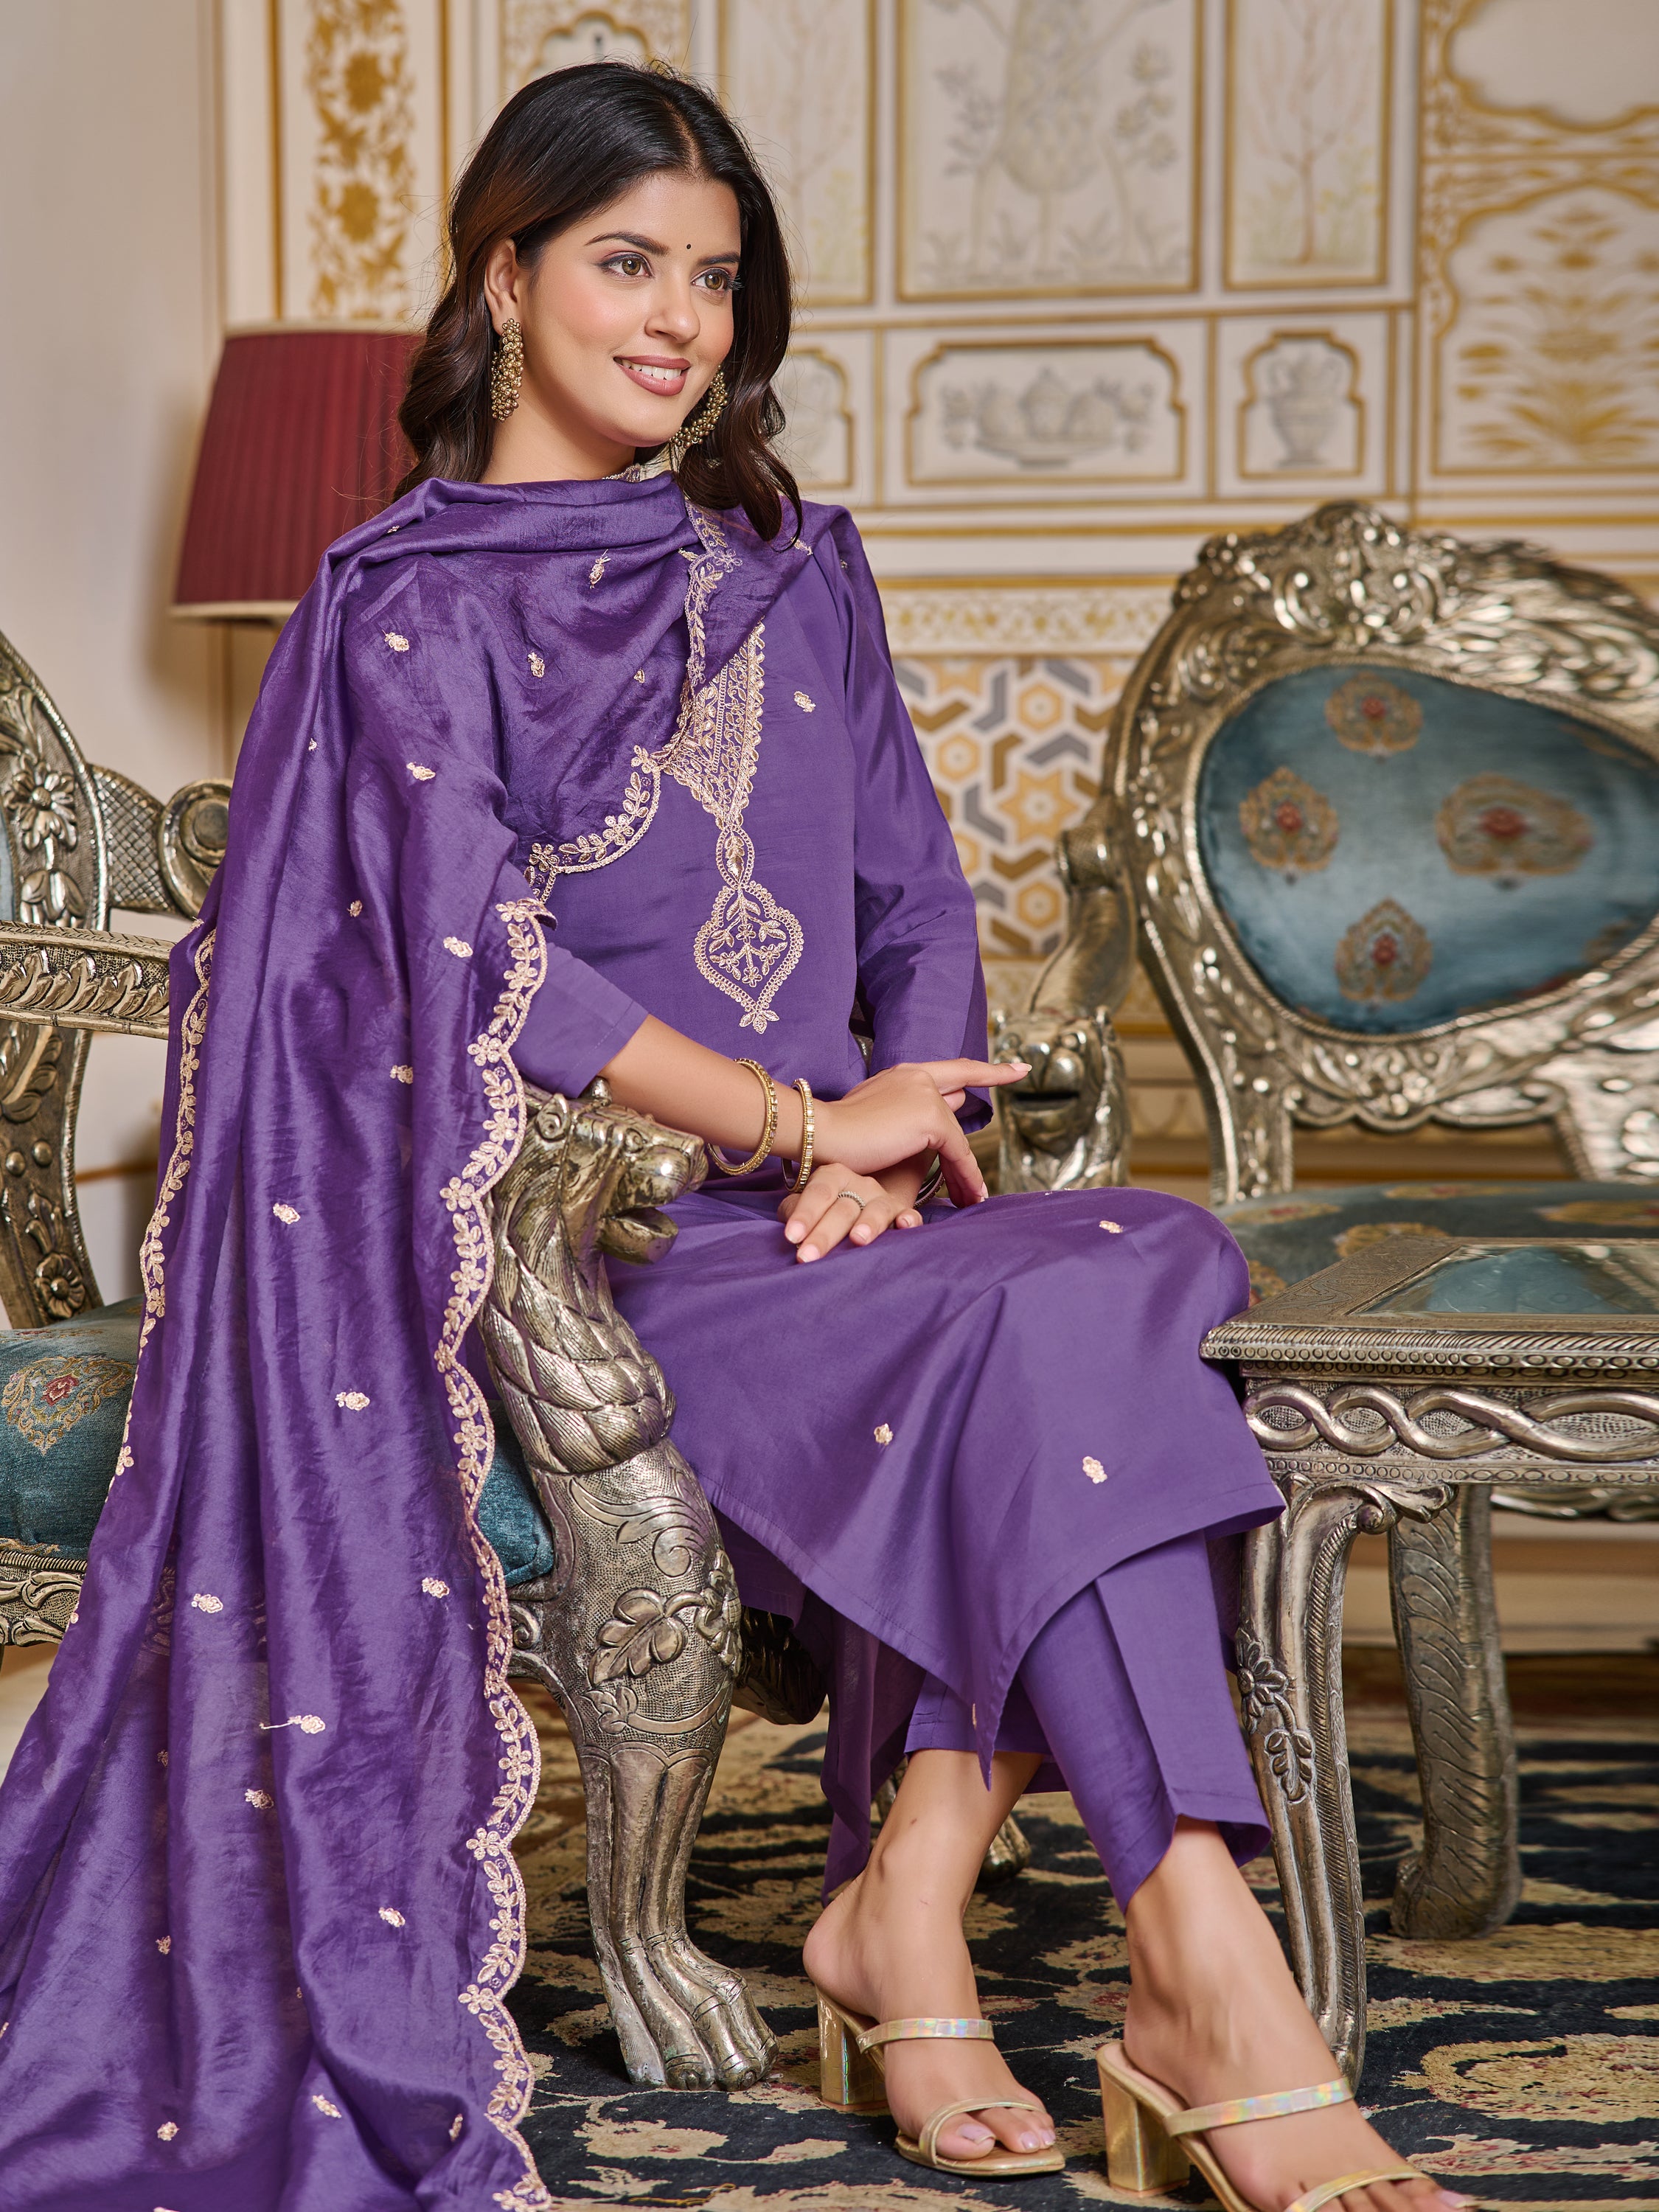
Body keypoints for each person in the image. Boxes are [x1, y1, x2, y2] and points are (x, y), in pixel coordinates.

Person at [0, 60, 1464, 2212]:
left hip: (845, 1218)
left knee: (1141, 1257)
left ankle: (934, 1904)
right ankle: (1188, 1981)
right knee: (1084, 1325)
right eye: (624, 263)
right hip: (610, 1255)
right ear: (505, 283)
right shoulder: (403, 607)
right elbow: (477, 962)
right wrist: (794, 1117)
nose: (679, 316)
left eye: (712, 274)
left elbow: (911, 897)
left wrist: (893, 1129)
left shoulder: (790, 562)